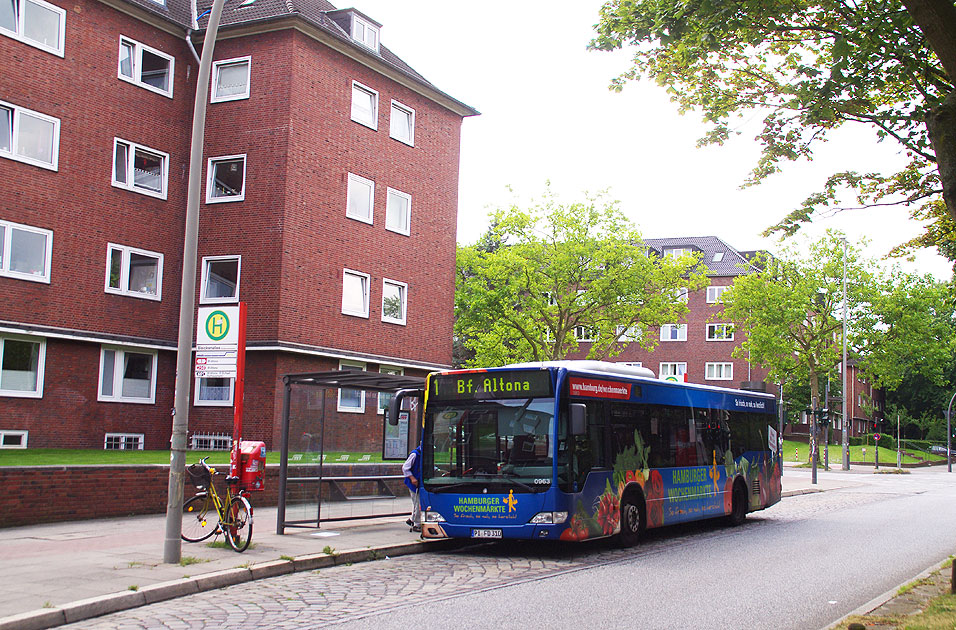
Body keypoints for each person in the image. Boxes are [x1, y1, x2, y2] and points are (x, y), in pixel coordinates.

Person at [402, 443, 422, 532]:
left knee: (418, 503)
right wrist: (412, 478)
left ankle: (412, 520)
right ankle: (417, 524)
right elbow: (405, 468)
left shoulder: (423, 454)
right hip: (414, 483)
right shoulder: (415, 454)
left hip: (420, 483)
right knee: (418, 503)